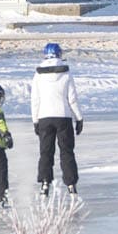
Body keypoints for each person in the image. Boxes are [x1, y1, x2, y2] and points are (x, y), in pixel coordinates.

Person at [30, 42, 83, 196]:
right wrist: (78, 118)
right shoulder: (66, 72)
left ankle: (45, 183)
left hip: (45, 117)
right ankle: (71, 183)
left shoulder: (38, 74)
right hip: (63, 117)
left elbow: (35, 100)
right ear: (60, 54)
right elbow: (72, 99)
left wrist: (35, 120)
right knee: (67, 151)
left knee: (46, 152)